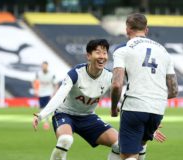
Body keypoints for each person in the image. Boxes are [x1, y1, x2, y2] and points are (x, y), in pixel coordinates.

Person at [32, 39, 166, 160]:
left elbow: (123, 101)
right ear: (88, 56)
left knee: (120, 145)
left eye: (105, 53)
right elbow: (59, 95)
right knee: (65, 140)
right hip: (65, 114)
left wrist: (148, 126)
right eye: (98, 52)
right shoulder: (75, 73)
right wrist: (42, 114)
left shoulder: (109, 77)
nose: (102, 56)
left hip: (88, 117)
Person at [111, 13, 178, 160]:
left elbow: (116, 84)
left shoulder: (122, 49)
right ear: (146, 30)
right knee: (139, 148)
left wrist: (113, 108)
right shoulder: (164, 52)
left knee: (127, 155)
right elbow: (173, 90)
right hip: (157, 109)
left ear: (127, 29)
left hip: (134, 106)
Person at [33, 61, 57, 130]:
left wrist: (54, 93)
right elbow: (34, 81)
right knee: (41, 108)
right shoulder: (39, 74)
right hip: (41, 93)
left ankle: (46, 122)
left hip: (49, 93)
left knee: (47, 108)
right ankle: (43, 121)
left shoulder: (51, 74)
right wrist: (35, 90)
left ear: (47, 66)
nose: (43, 67)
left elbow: (55, 84)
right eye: (42, 66)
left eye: (45, 66)